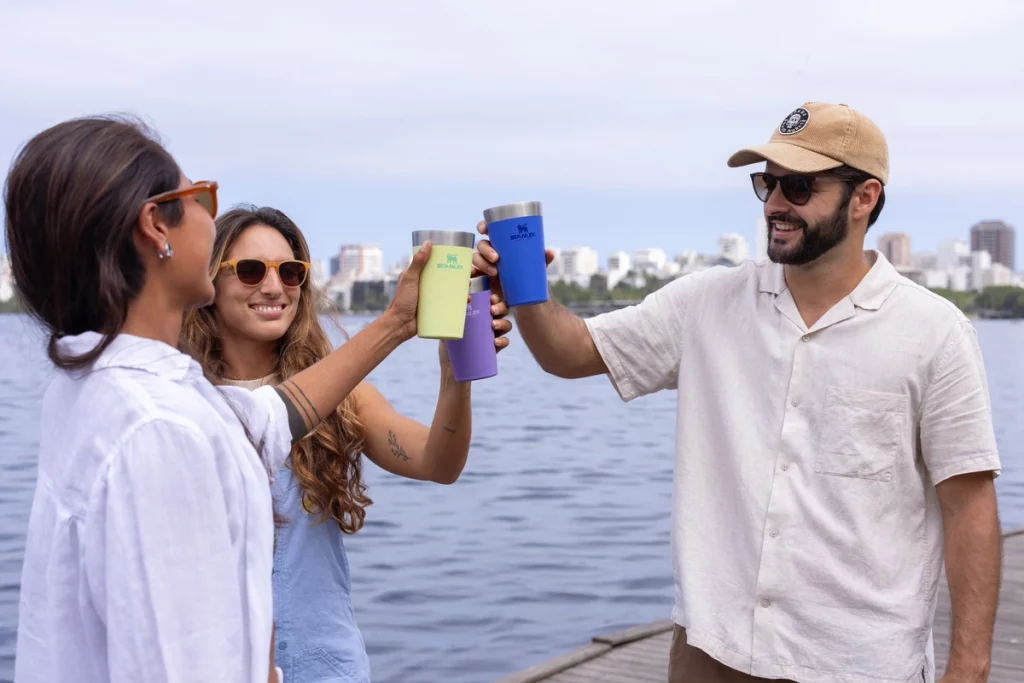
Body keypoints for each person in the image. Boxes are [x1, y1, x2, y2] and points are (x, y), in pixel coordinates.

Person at [473, 102, 1002, 683]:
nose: (776, 202)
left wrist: (969, 669)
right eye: (767, 183)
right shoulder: (706, 303)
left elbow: (969, 507)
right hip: (711, 654)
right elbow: (567, 352)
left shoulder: (935, 332)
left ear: (864, 198)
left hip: (859, 663)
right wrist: (522, 282)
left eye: (799, 186)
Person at [4, 115, 440, 683]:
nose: (211, 218)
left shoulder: (100, 391)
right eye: (200, 198)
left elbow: (266, 420)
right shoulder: (161, 429)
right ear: (156, 227)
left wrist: (399, 323)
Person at [179, 205, 512, 683]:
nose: (273, 287)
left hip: (327, 667)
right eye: (250, 271)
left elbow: (438, 463)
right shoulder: (182, 405)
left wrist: (454, 370)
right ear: (209, 284)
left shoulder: (343, 394)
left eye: (290, 272)